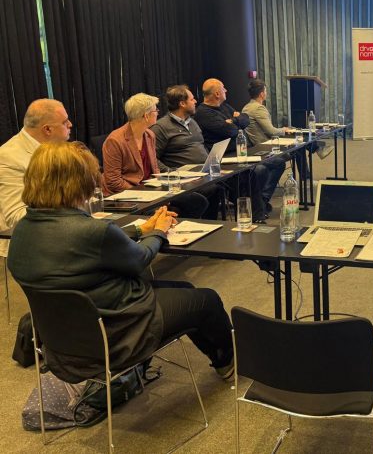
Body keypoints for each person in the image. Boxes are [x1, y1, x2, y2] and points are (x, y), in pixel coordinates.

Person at [7, 142, 234, 380]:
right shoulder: (92, 230)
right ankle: (227, 361)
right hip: (117, 332)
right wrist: (160, 231)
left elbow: (83, 246)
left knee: (184, 289)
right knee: (207, 300)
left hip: (63, 339)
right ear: (80, 181)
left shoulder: (22, 229)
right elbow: (139, 259)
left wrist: (142, 229)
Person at [154, 84, 270, 222]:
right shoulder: (161, 127)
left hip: (206, 169)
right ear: (182, 103)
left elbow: (202, 145)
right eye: (192, 99)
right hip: (185, 175)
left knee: (246, 174)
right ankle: (216, 223)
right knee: (214, 188)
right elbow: (153, 158)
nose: (196, 101)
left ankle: (254, 219)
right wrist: (172, 173)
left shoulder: (192, 123)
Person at [101, 93, 209, 219]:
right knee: (159, 213)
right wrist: (144, 193)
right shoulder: (115, 141)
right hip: (127, 195)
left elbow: (155, 169)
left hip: (151, 190)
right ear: (146, 116)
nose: (158, 113)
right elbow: (113, 181)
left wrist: (161, 189)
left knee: (198, 201)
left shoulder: (149, 135)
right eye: (155, 110)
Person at [195, 79, 283, 215]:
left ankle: (260, 203)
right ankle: (255, 208)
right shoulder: (203, 113)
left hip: (240, 152)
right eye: (223, 88)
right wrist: (236, 122)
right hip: (223, 158)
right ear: (217, 94)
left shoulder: (225, 106)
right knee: (259, 170)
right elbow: (230, 131)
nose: (226, 90)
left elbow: (245, 119)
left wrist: (232, 121)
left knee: (274, 164)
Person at [0, 99, 72, 261]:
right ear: (47, 129)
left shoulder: (55, 148)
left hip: (61, 234)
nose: (70, 125)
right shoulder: (9, 158)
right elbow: (17, 217)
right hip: (27, 248)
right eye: (65, 122)